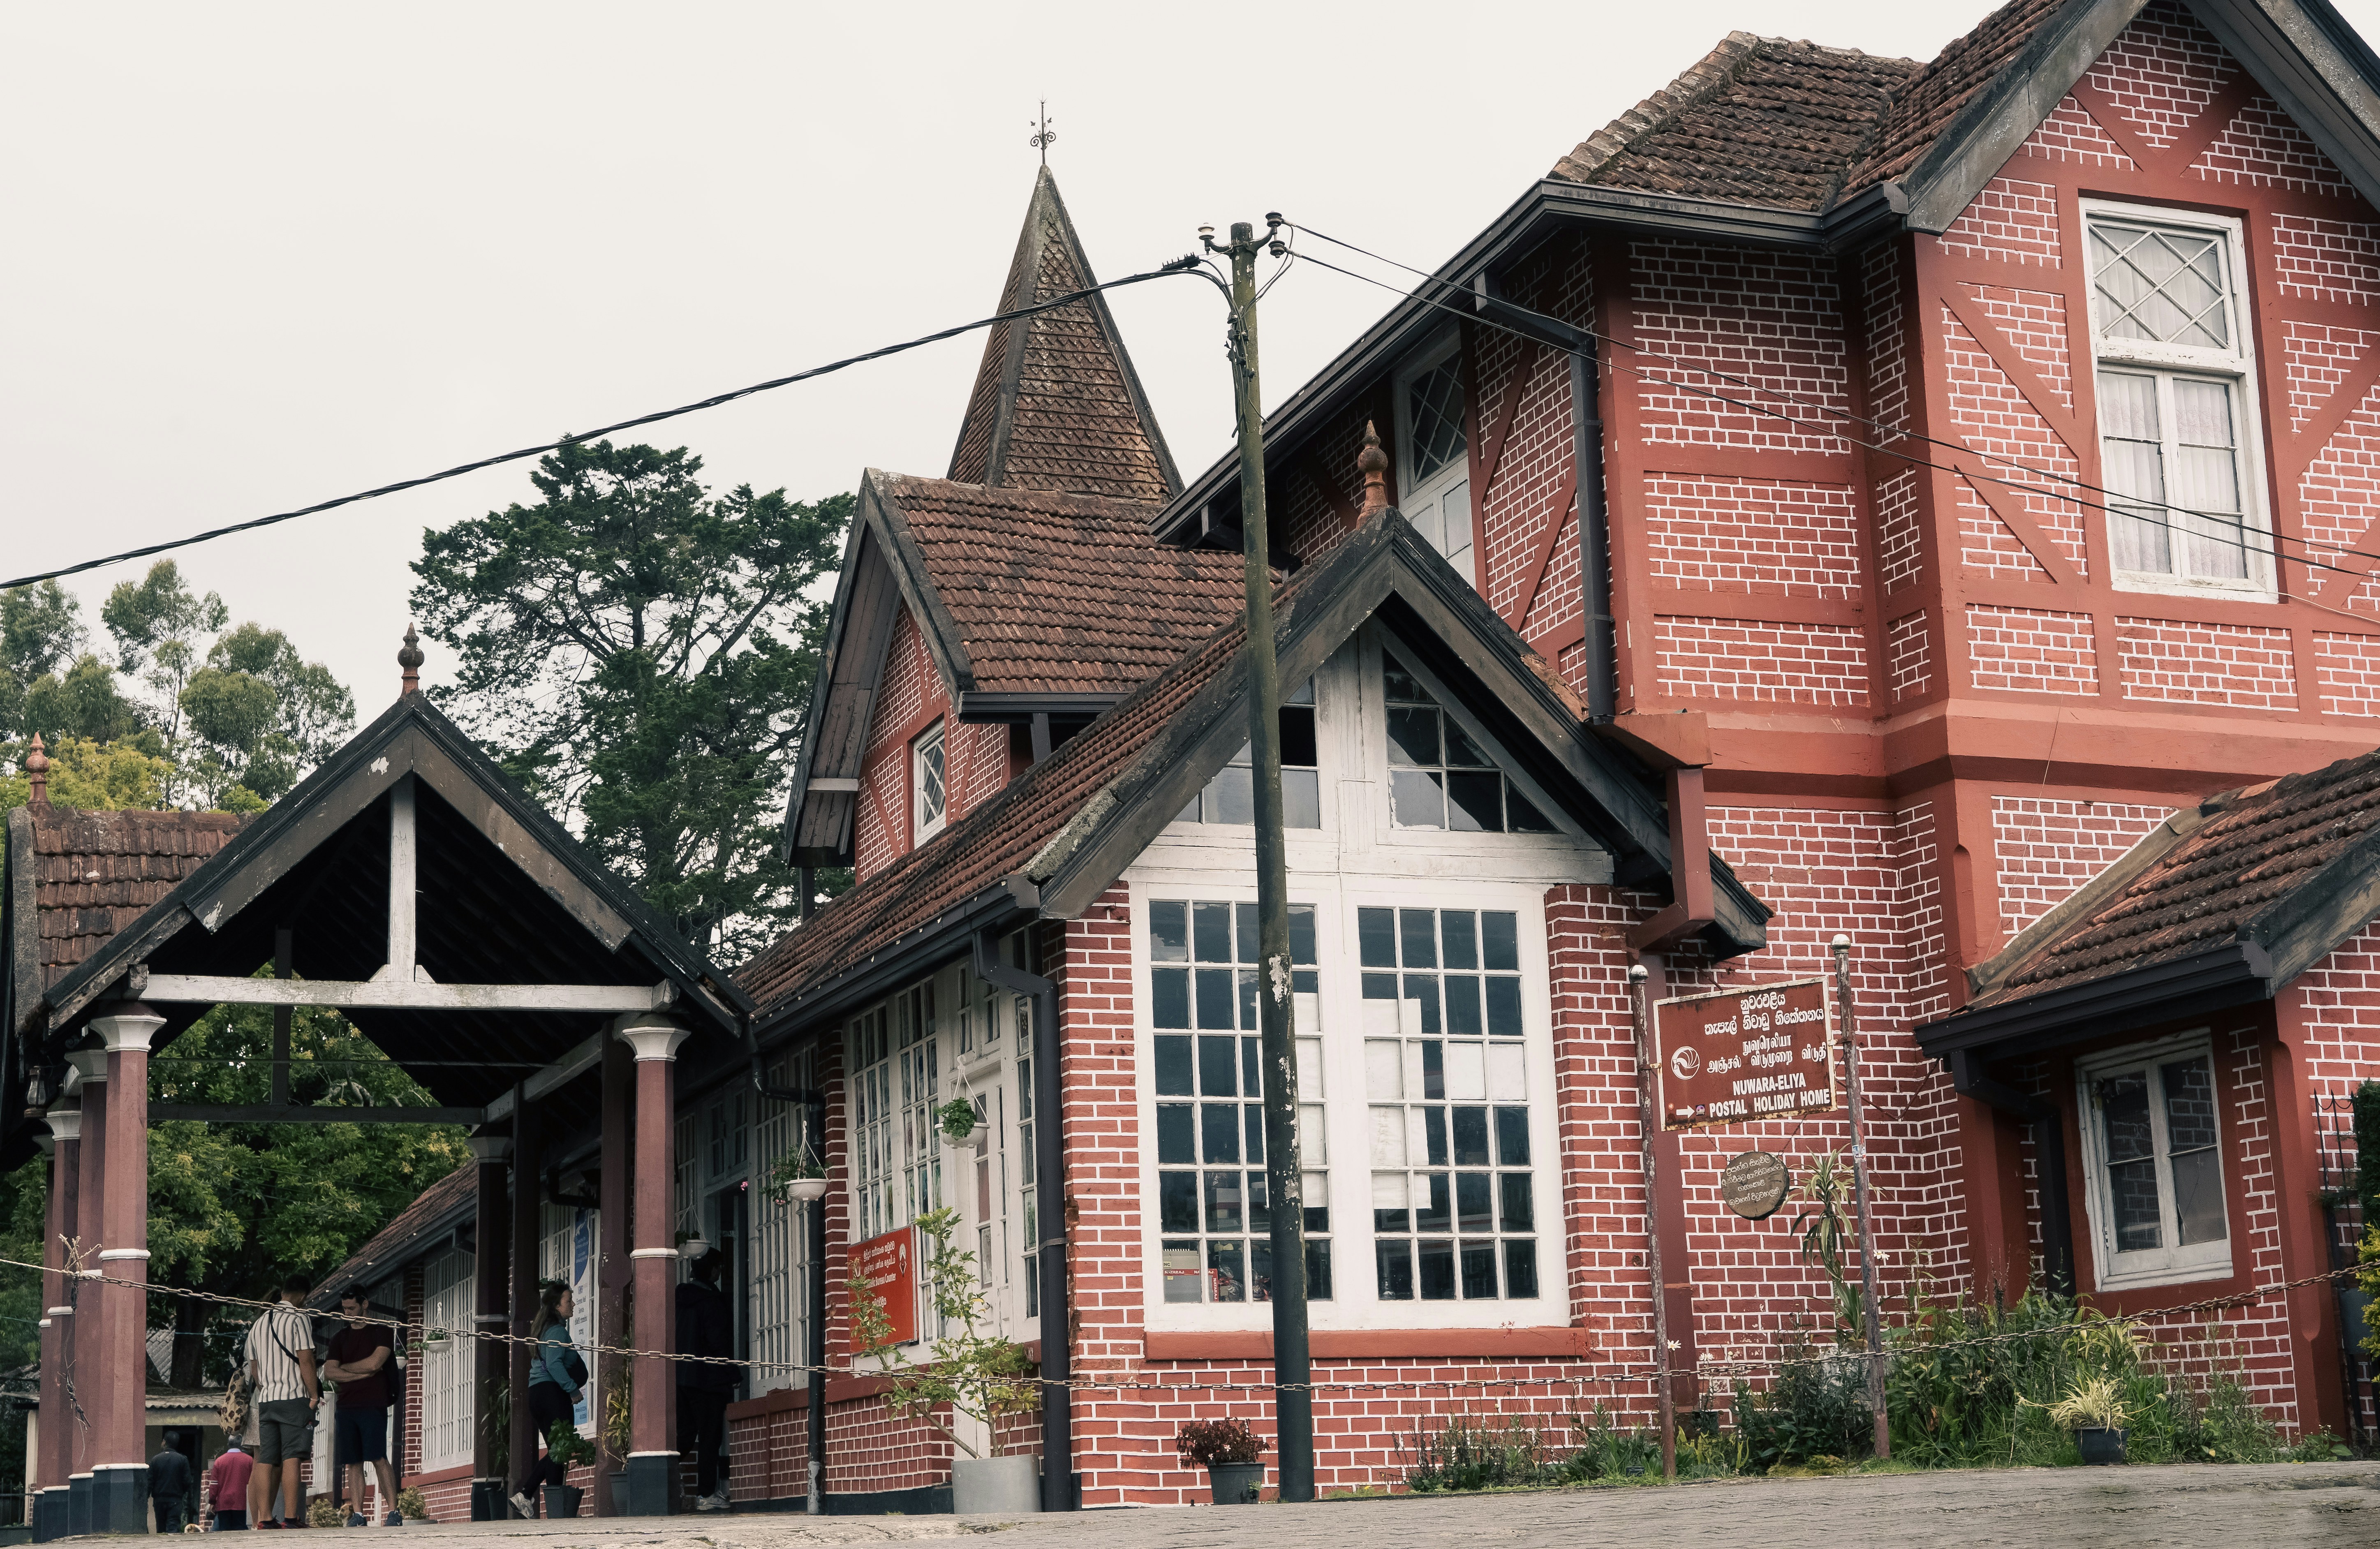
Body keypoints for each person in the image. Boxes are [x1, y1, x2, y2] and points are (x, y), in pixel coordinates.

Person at [242, 1275, 320, 1531]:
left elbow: (254, 1369)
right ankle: (291, 1517)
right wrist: (314, 1395)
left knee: (265, 1459)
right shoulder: (299, 1319)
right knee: (292, 1457)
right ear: (303, 1296)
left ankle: (264, 1517)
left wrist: (266, 1387)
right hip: (293, 1397)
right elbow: (306, 1360)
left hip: (266, 1401)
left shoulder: (259, 1324)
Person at [319, 1289, 402, 1527]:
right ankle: (359, 1514)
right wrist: (361, 1373)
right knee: (353, 1461)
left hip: (373, 1404)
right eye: (344, 1309)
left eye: (352, 1308)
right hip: (346, 1407)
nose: (348, 1313)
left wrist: (346, 1369)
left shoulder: (381, 1331)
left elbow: (376, 1362)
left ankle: (394, 1512)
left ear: (365, 1304)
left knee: (378, 1457)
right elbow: (329, 1372)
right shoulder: (339, 1339)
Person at [507, 1282, 584, 1519]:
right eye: (569, 1300)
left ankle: (556, 1509)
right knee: (561, 1449)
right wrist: (572, 1389)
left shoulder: (546, 1330)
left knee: (556, 1452)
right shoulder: (557, 1332)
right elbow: (553, 1365)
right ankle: (526, 1493)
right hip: (552, 1395)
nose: (573, 1304)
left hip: (539, 1395)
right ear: (556, 1305)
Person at [675, 1251, 734, 1512]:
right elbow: (717, 1340)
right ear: (712, 1271)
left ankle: (665, 1479)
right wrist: (731, 1373)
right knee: (711, 1437)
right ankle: (707, 1493)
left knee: (686, 1433)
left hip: (682, 1377)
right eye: (719, 1267)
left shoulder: (679, 1299)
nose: (720, 1272)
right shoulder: (712, 1301)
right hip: (709, 1378)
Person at [148, 1431, 194, 1534]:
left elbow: (150, 1481)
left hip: (159, 1499)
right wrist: (182, 1492)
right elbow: (187, 1481)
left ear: (164, 1442)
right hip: (175, 1500)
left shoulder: (155, 1460)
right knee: (173, 1527)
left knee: (161, 1528)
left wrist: (146, 1497)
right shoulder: (182, 1460)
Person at [208, 1442, 254, 1533]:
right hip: (243, 1502)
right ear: (241, 1445)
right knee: (242, 1531)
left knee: (225, 1532)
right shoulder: (249, 1460)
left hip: (224, 1503)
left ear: (228, 1444)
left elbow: (214, 1485)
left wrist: (212, 1502)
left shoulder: (219, 1461)